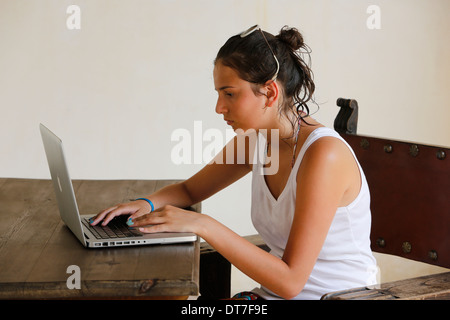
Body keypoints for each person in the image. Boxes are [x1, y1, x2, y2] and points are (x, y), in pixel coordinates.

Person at [90, 25, 378, 300]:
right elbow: (191, 191)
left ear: (269, 92)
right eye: (218, 94)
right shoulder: (257, 139)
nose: (219, 108)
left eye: (229, 94)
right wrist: (146, 203)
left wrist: (203, 225)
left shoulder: (323, 155)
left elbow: (291, 282)